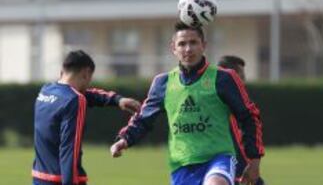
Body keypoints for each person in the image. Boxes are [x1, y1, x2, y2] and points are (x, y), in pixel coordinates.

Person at [110, 22, 264, 185]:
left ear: (203, 46)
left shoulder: (223, 78)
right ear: (173, 48)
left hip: (220, 159)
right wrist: (125, 139)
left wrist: (254, 161)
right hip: (182, 165)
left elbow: (249, 116)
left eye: (193, 43)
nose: (188, 49)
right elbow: (144, 118)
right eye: (182, 44)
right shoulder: (163, 83)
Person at [32, 50, 141, 185]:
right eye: (90, 78)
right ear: (86, 73)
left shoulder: (46, 90)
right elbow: (70, 148)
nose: (89, 83)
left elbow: (86, 94)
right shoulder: (75, 100)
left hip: (40, 177)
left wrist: (117, 100)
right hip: (62, 180)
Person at [218, 55, 266, 185]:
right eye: (241, 77)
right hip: (232, 170)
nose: (243, 82)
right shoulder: (223, 103)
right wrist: (251, 165)